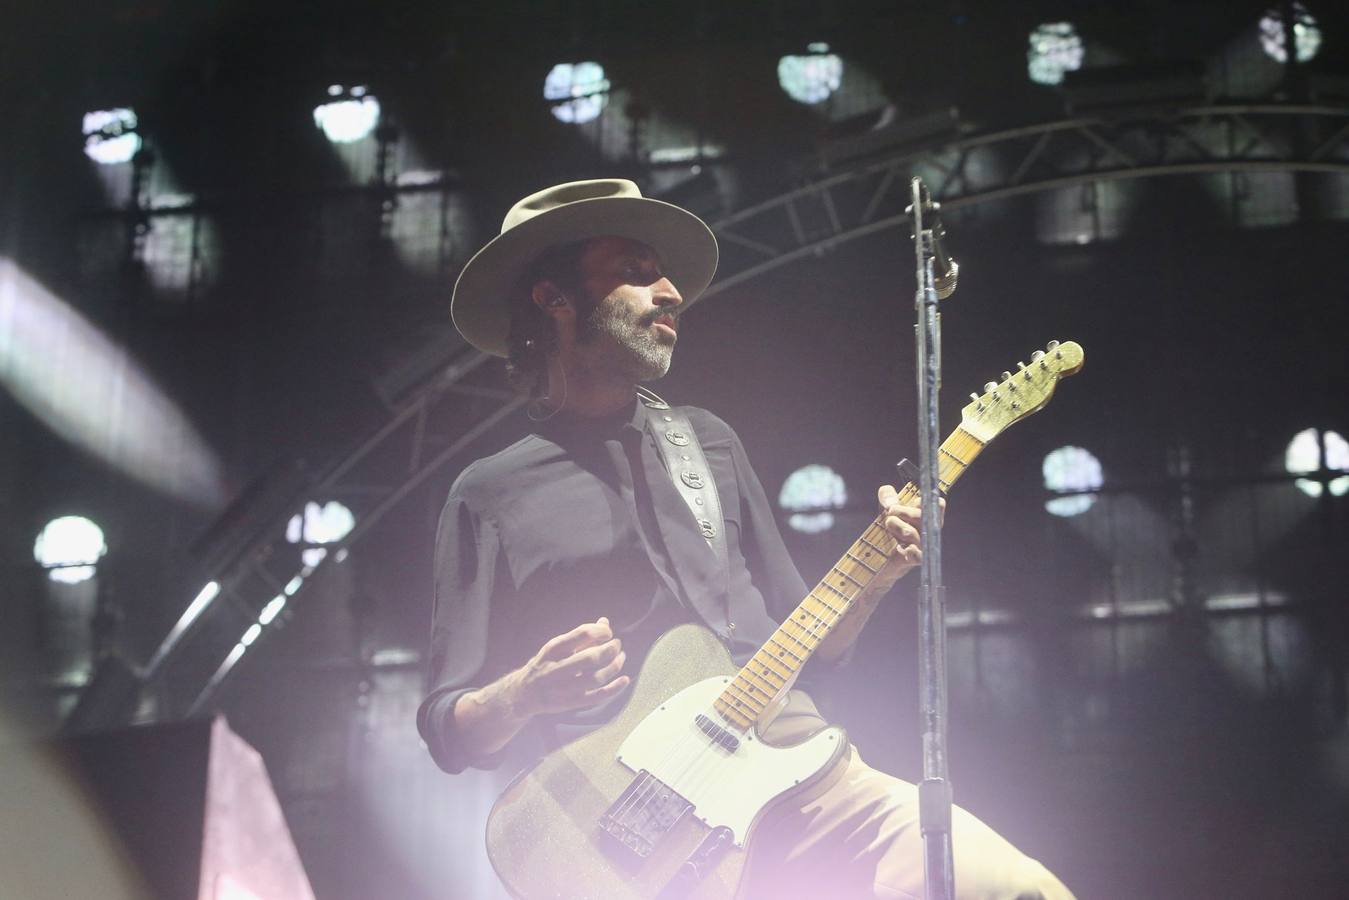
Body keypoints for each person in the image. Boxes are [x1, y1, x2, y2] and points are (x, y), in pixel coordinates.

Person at [416, 179, 1074, 899]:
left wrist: (877, 575)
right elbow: (449, 729)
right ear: (554, 299)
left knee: (1019, 890)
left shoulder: (705, 443)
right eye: (636, 273)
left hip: (803, 779)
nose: (669, 291)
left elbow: (815, 647)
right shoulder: (488, 493)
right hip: (637, 843)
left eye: (663, 273)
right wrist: (523, 694)